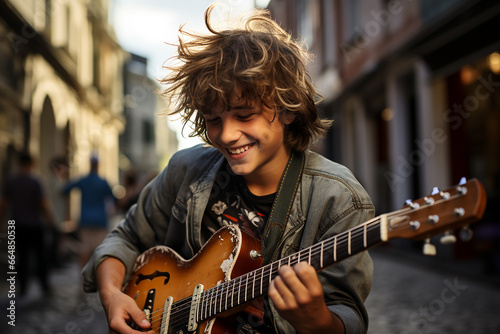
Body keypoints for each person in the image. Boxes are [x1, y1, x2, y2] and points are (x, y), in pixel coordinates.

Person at [82, 5, 375, 334]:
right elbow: (127, 236)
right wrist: (111, 295)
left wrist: (318, 321)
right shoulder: (185, 170)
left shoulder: (339, 200)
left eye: (245, 115)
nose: (226, 134)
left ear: (288, 109)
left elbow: (348, 315)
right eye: (213, 119)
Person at [0, 152, 55, 295]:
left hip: (18, 224)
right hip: (35, 224)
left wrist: (1, 222)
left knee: (21, 256)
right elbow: (42, 203)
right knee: (40, 255)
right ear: (32, 163)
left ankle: (23, 287)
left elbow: (4, 204)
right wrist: (50, 219)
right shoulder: (36, 181)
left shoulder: (12, 181)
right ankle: (44, 286)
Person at [62, 155, 116, 269]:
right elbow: (114, 198)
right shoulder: (103, 182)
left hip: (86, 220)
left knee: (84, 249)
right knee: (100, 250)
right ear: (98, 165)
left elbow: (65, 189)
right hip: (100, 220)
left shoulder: (83, 181)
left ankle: (82, 280)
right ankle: (98, 278)